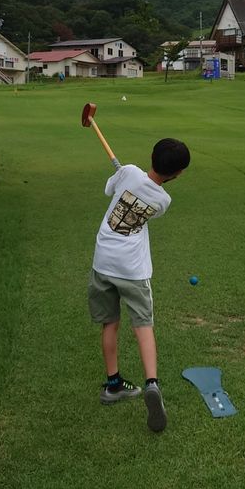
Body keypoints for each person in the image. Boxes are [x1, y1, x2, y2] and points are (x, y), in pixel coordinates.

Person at [88, 137, 191, 432]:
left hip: (103, 262)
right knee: (143, 325)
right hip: (133, 269)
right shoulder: (163, 201)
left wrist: (122, 174)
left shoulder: (129, 172)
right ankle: (152, 383)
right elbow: (146, 204)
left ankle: (113, 384)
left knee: (110, 323)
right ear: (178, 174)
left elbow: (110, 188)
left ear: (151, 155)